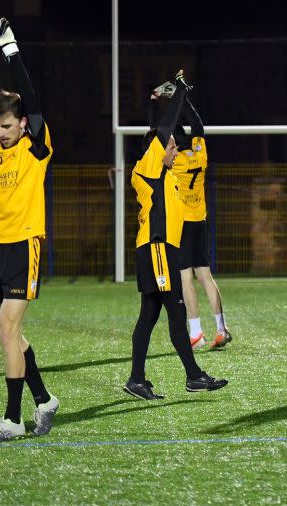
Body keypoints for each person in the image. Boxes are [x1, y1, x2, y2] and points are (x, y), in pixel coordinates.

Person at [0, 18, 59, 442]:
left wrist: (11, 52)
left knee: (8, 330)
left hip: (23, 244)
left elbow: (35, 102)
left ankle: (12, 418)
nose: (2, 132)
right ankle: (43, 399)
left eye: (8, 126)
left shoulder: (36, 146)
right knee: (10, 333)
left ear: (23, 123)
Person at [125, 70, 228, 400]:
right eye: (169, 146)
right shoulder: (148, 166)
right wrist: (180, 92)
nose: (173, 149)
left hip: (160, 248)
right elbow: (164, 129)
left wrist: (160, 101)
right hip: (157, 249)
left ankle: (139, 379)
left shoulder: (165, 172)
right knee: (175, 310)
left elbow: (167, 130)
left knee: (151, 315)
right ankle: (192, 376)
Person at [149, 82, 232, 351]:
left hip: (182, 224)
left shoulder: (175, 162)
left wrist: (155, 102)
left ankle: (196, 333)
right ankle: (222, 328)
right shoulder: (199, 154)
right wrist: (181, 97)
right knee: (205, 275)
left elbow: (157, 132)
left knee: (185, 279)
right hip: (201, 220)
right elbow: (197, 124)